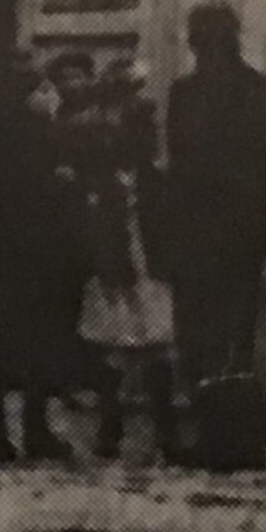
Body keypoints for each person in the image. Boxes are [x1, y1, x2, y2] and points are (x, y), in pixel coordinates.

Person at [166, 2, 266, 473]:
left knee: (205, 333)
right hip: (236, 232)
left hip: (207, 232)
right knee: (234, 333)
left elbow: (181, 169)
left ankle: (217, 437)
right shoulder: (261, 92)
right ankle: (234, 439)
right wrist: (261, 224)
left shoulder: (188, 95)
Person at [0, 51, 85, 463]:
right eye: (39, 87)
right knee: (39, 342)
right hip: (36, 254)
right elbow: (49, 188)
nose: (46, 94)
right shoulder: (41, 134)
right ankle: (35, 430)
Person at [73, 65, 180, 463]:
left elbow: (165, 224)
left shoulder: (154, 182)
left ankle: (164, 426)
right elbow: (95, 230)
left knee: (156, 341)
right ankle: (111, 424)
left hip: (149, 266)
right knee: (115, 344)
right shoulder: (101, 183)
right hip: (116, 267)